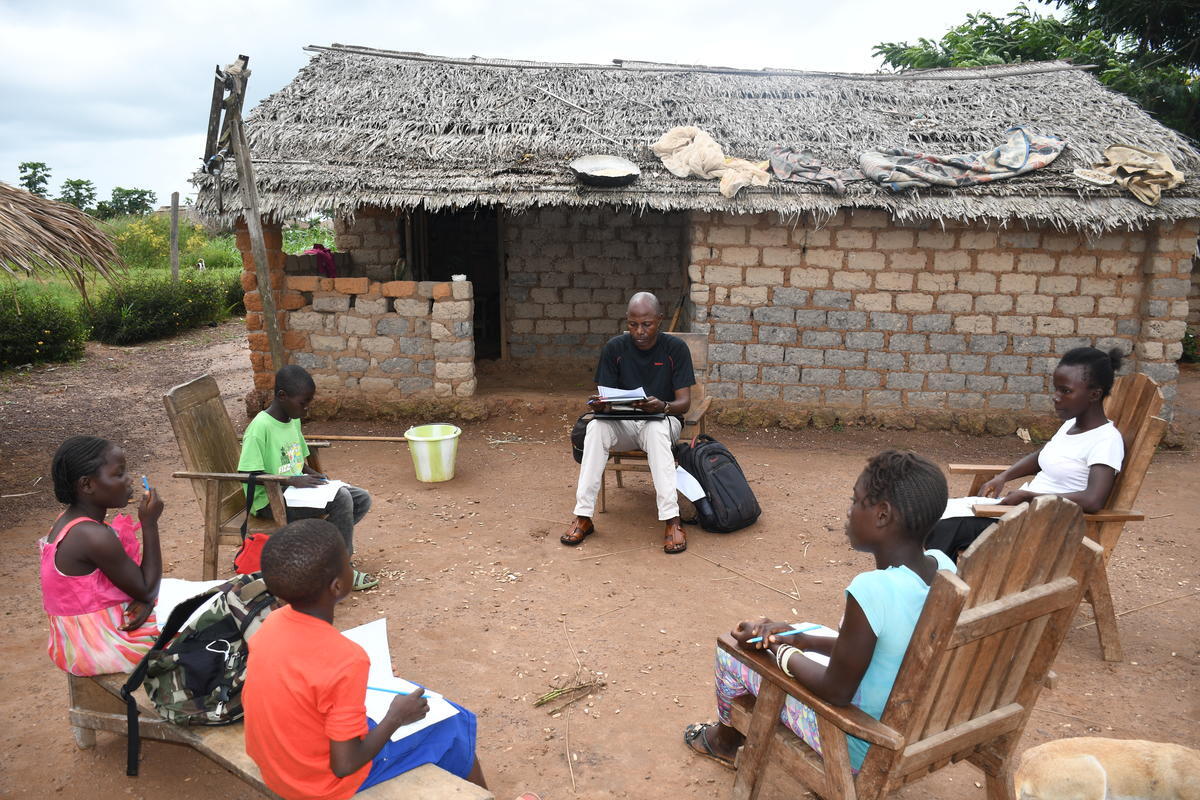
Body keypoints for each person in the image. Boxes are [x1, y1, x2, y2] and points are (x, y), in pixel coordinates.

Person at [684, 450, 954, 772]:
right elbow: (887, 648)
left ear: (882, 515)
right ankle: (792, 647)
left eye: (856, 501)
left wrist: (778, 651)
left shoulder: (872, 589)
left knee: (733, 653)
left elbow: (836, 691)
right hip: (911, 725)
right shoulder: (944, 567)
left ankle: (724, 743)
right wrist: (802, 640)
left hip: (859, 742)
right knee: (806, 628)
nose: (849, 511)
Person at [243, 519, 487, 799]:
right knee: (452, 723)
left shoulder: (272, 623)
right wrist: (395, 717)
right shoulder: (347, 659)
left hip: (278, 764)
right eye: (348, 563)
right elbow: (344, 764)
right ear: (337, 586)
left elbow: (306, 679)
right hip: (318, 785)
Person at [927, 347, 1126, 561]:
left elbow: (1093, 500)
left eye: (1065, 391)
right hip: (1022, 514)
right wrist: (1004, 476)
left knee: (945, 528)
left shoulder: (1106, 440)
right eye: (1056, 389)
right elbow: (1042, 457)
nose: (1056, 397)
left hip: (1044, 527)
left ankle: (933, 580)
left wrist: (1030, 497)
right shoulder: (1070, 426)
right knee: (929, 514)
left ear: (1094, 394)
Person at [562, 291, 695, 554]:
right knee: (595, 428)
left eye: (647, 324)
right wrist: (601, 405)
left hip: (662, 420)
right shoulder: (615, 348)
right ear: (627, 321)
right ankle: (583, 516)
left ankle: (672, 520)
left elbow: (684, 402)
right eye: (633, 324)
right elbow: (607, 397)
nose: (639, 331)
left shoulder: (675, 349)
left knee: (656, 430)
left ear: (659, 319)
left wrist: (663, 406)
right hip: (622, 423)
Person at [238, 364, 378, 590]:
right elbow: (246, 475)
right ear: (282, 396)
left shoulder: (292, 420)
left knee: (361, 498)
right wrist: (288, 481)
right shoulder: (260, 428)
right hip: (270, 501)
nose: (306, 409)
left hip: (296, 491)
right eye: (303, 403)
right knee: (342, 500)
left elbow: (298, 462)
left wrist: (318, 477)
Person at [40, 435, 163, 675]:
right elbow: (147, 589)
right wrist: (149, 524)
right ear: (87, 485)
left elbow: (139, 586)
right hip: (100, 647)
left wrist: (145, 596)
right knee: (199, 629)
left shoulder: (69, 523)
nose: (129, 480)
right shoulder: (92, 536)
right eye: (119, 474)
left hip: (72, 644)